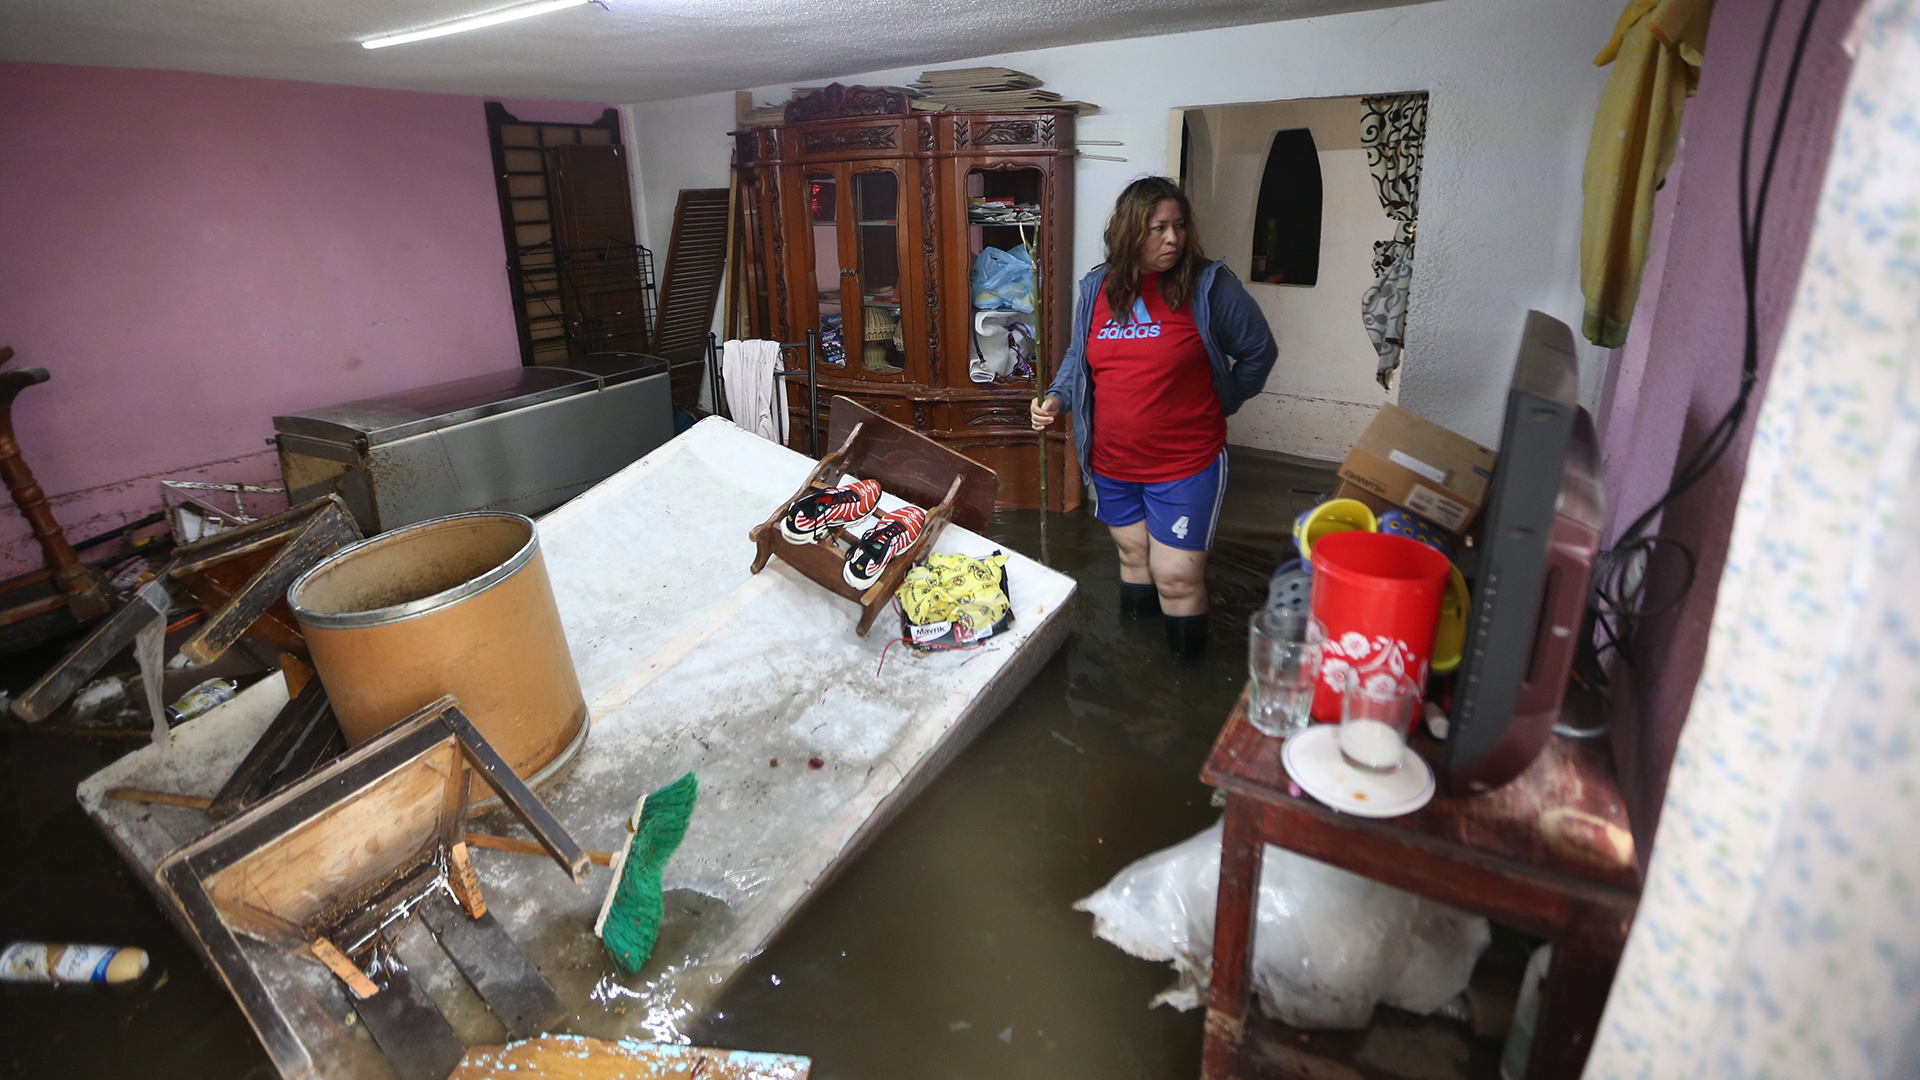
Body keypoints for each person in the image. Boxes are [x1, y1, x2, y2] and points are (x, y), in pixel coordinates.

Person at [1031, 177, 1277, 659]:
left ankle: (1184, 688)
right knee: (1133, 556)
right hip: (1113, 461)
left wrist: (1222, 400)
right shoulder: (1097, 286)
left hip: (1186, 462)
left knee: (1177, 577)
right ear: (1128, 232)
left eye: (1179, 226)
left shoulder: (1209, 286)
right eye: (1158, 228)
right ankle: (1135, 664)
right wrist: (1057, 398)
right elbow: (1079, 356)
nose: (1173, 239)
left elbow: (1258, 352)